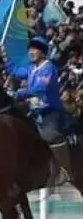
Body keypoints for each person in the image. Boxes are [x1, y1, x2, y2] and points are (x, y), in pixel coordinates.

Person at [11, 36, 77, 185]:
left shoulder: (49, 68)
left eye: (34, 49)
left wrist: (21, 93)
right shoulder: (31, 68)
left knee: (50, 136)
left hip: (49, 111)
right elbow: (15, 70)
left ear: (42, 52)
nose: (30, 52)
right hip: (33, 112)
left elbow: (41, 88)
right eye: (30, 49)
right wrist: (3, 55)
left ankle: (66, 170)